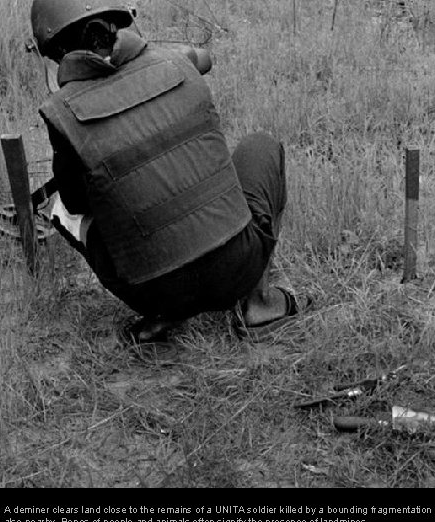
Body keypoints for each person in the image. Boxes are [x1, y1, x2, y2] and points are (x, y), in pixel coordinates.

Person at [30, 0, 308, 343]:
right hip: (237, 267)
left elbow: (75, 203)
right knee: (261, 145)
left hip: (150, 292)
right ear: (115, 26)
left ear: (56, 51)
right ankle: (258, 302)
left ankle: (163, 315)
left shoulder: (61, 113)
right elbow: (204, 57)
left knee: (63, 211)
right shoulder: (175, 60)